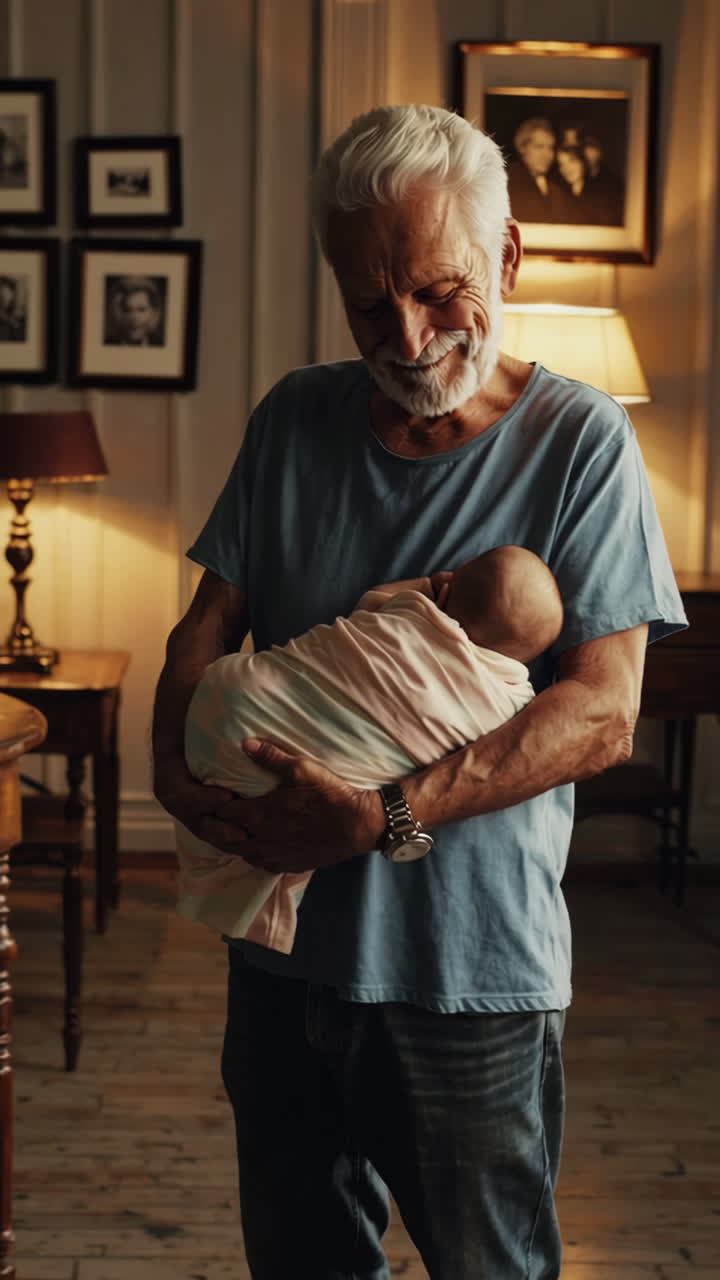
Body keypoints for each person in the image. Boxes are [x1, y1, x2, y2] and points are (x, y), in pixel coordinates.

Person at [152, 104, 686, 1279]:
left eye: (438, 291)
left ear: (505, 258)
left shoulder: (581, 443)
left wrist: (381, 815)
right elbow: (206, 626)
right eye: (366, 301)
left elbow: (602, 710)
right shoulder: (296, 417)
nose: (404, 333)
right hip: (280, 959)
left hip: (468, 978)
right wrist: (169, 764)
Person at [176, 545, 563, 952]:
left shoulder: (411, 611)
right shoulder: (508, 700)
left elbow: (373, 600)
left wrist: (429, 585)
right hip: (290, 772)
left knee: (235, 696)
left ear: (447, 594)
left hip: (231, 706)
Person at [506, 116, 570, 223]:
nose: (547, 154)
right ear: (522, 148)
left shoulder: (557, 187)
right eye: (539, 147)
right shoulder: (509, 181)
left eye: (550, 148)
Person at [105, 275, 164, 345]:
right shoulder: (108, 343)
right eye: (127, 310)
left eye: (141, 310)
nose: (134, 317)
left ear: (153, 312)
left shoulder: (159, 344)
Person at [582, 134, 625, 225]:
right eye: (586, 147)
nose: (588, 153)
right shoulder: (577, 178)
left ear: (601, 152)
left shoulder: (611, 182)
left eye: (593, 147)